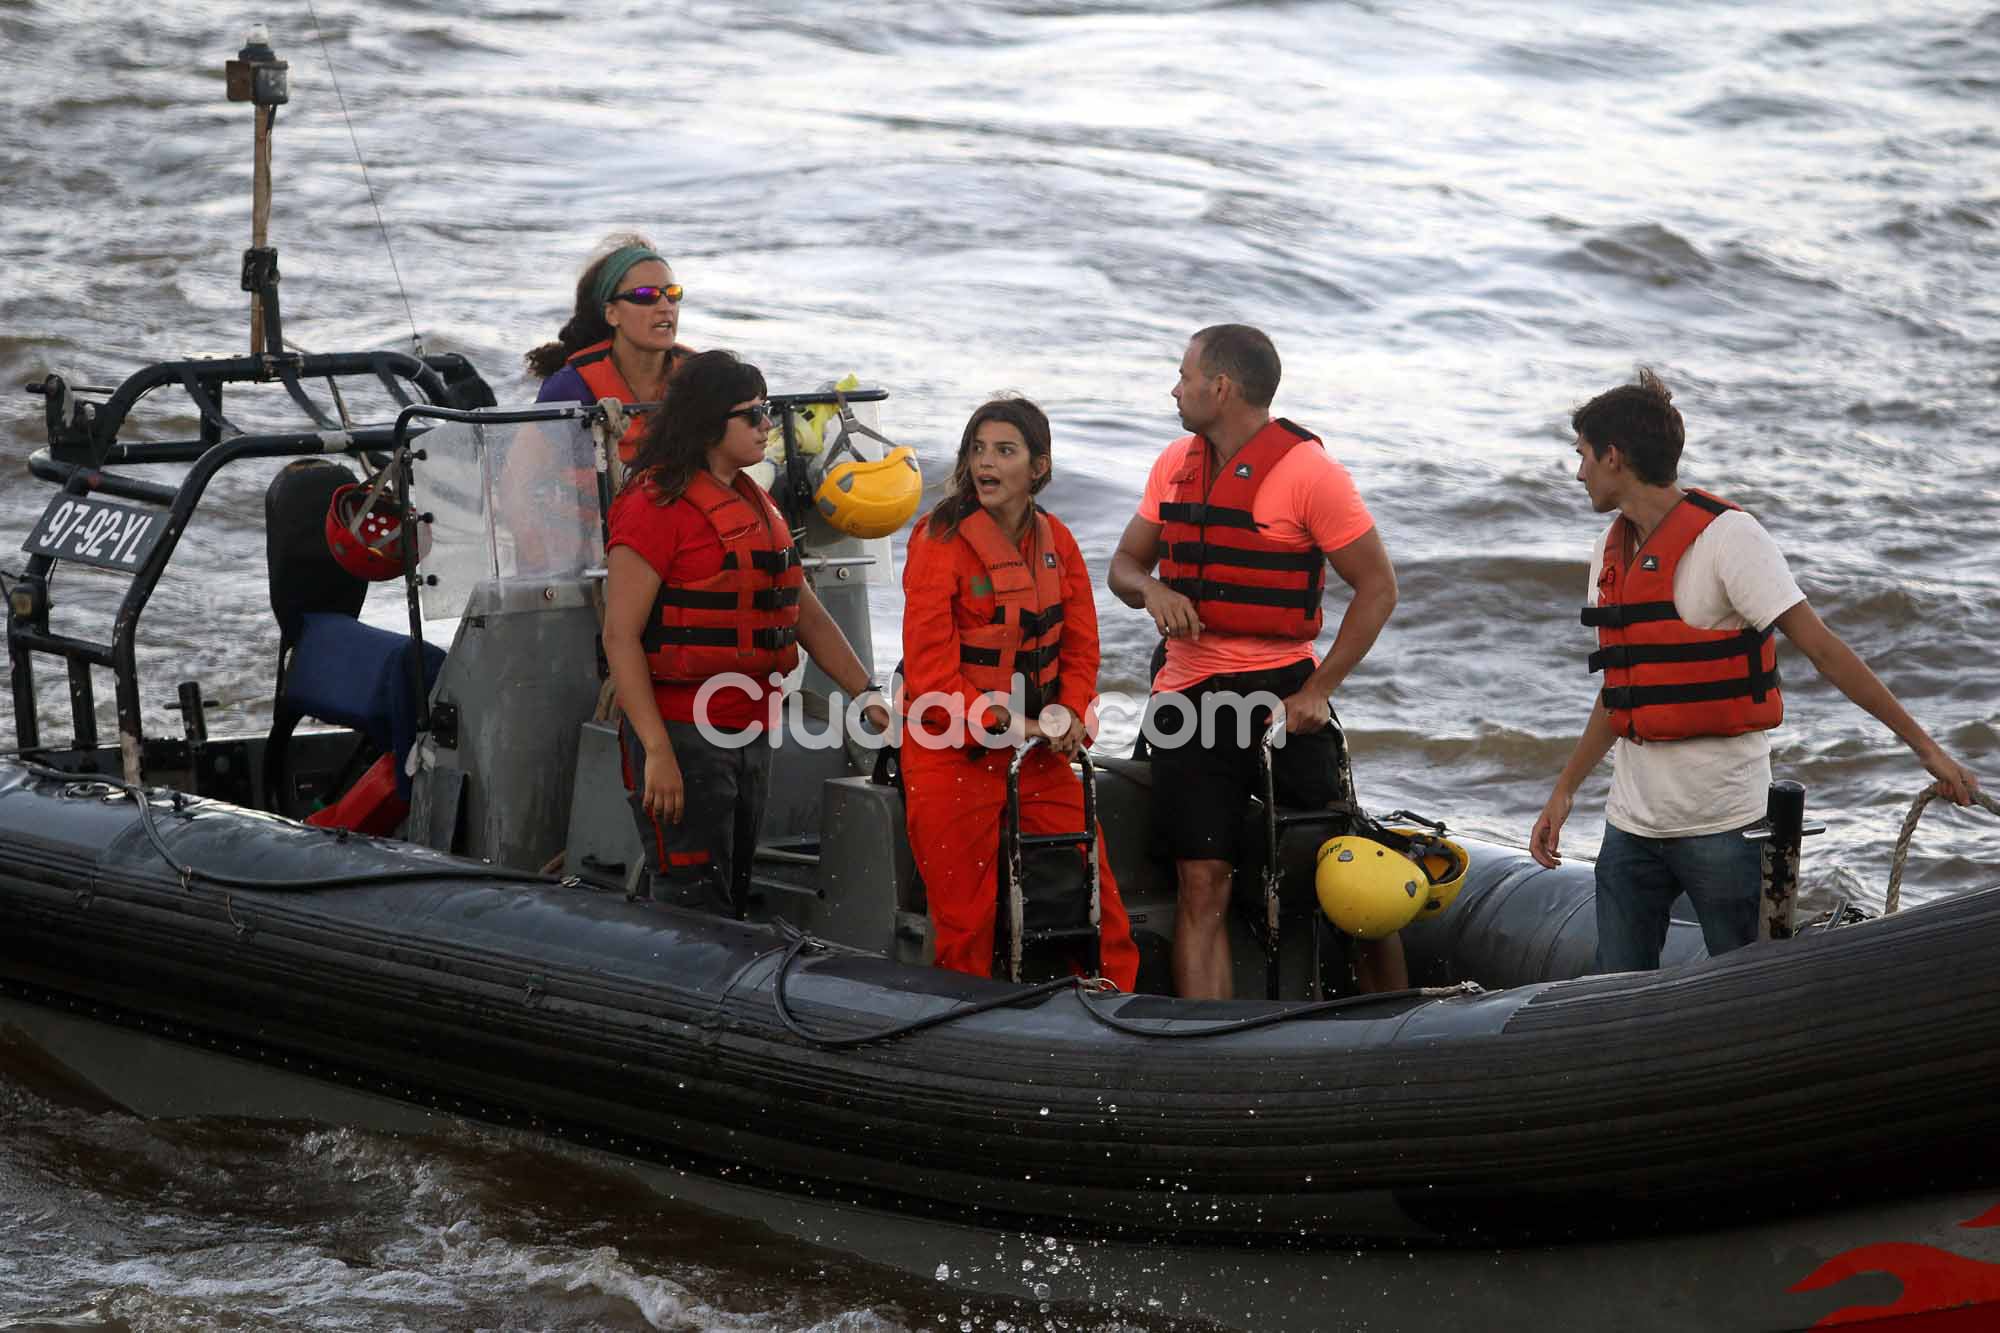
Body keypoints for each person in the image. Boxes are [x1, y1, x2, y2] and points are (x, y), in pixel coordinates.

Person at [1530, 369, 1981, 971]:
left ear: (1614, 457)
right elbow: (1624, 690)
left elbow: (1824, 650)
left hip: (1724, 826)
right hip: (1631, 827)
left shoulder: (1729, 540)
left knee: (1743, 993)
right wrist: (1565, 790)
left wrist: (1925, 748)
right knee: (1616, 994)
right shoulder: (1608, 554)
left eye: (1582, 455)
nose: (1578, 471)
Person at [1108, 326, 1400, 1000]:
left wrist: (1320, 688)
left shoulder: (1309, 472)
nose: (1174, 388)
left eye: (1184, 376)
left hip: (1283, 690)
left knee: (1347, 856)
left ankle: (1393, 1019)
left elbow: (1378, 587)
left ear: (1221, 388)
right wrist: (1153, 589)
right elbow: (1124, 565)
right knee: (1200, 880)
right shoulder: (1173, 463)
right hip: (1188, 693)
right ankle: (1205, 1048)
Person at [602, 350, 888, 915]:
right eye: (752, 414)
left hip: (748, 730)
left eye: (765, 411)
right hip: (682, 734)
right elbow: (619, 637)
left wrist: (866, 691)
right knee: (690, 894)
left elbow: (802, 609)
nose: (766, 425)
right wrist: (657, 751)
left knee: (730, 885)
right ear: (710, 424)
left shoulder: (753, 500)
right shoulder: (655, 506)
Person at [898, 396, 1141, 990]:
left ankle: (1119, 1016)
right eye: (978, 450)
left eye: (1005, 451)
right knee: (965, 922)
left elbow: (1081, 648)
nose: (987, 463)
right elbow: (932, 680)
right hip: (949, 754)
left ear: (1038, 467)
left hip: (1039, 755)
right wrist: (1029, 729)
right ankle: (963, 1043)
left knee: (1101, 903)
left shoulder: (1058, 539)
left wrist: (1072, 713)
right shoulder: (938, 541)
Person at [525, 233, 695, 463]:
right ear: (612, 313)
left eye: (673, 294)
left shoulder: (701, 377)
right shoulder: (568, 389)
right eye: (646, 295)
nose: (666, 307)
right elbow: (518, 482)